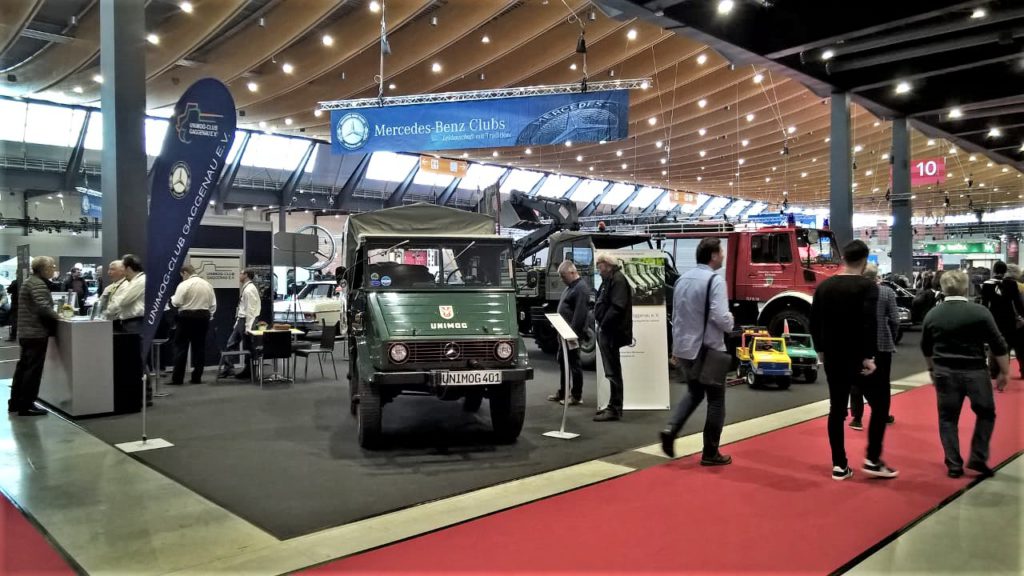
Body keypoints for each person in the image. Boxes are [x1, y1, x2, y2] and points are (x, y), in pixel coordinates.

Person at [811, 239, 898, 481]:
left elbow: (814, 321)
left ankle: (839, 465)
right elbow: (869, 322)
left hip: (833, 357)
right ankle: (872, 459)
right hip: (858, 358)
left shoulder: (824, 287)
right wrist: (869, 356)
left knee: (837, 410)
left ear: (843, 259)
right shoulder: (868, 287)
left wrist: (820, 350)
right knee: (880, 405)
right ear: (864, 260)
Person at [921, 270, 1009, 478]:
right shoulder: (980, 312)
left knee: (947, 418)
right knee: (986, 413)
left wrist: (932, 369)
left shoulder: (933, 314)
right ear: (965, 287)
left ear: (943, 288)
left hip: (944, 372)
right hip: (975, 371)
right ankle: (978, 457)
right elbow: (998, 344)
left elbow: (926, 347)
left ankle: (954, 464)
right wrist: (1004, 371)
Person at [659, 237, 734, 465]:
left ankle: (671, 429)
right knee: (716, 400)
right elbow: (720, 316)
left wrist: (675, 348)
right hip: (708, 349)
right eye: (721, 252)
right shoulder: (715, 281)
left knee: (694, 392)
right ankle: (710, 452)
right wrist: (731, 322)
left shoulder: (682, 279)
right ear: (713, 255)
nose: (723, 255)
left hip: (685, 350)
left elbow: (676, 316)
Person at [849, 265, 899, 431]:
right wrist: (891, 336)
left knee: (857, 380)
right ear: (876, 275)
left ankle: (857, 418)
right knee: (883, 382)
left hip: (859, 343)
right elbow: (895, 319)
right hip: (883, 344)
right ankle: (883, 414)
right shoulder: (887, 292)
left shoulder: (853, 293)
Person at [8, 256, 58, 416]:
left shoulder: (30, 281)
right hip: (35, 332)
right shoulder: (38, 284)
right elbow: (43, 307)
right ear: (44, 269)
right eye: (52, 266)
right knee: (33, 371)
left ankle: (15, 402)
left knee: (23, 368)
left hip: (26, 332)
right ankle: (27, 404)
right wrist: (59, 317)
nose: (54, 268)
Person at [592, 253, 632, 422]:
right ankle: (612, 406)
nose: (598, 270)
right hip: (608, 331)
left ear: (607, 265)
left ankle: (615, 408)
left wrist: (603, 325)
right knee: (612, 371)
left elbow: (617, 307)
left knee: (613, 371)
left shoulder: (618, 280)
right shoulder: (610, 279)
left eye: (599, 266)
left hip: (612, 332)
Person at [546, 260, 590, 406]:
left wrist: (572, 335)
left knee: (574, 364)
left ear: (572, 272)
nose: (562, 280)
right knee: (563, 361)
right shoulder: (571, 287)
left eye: (563, 277)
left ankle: (576, 396)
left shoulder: (581, 289)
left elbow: (580, 315)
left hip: (571, 335)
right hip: (564, 333)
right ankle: (563, 392)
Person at [170, 264, 216, 385]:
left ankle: (177, 379)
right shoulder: (208, 285)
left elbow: (177, 302)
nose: (182, 277)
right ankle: (197, 378)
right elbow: (213, 305)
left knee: (181, 348)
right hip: (203, 318)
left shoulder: (184, 284)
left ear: (185, 273)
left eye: (182, 275)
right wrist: (209, 316)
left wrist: (173, 298)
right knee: (199, 348)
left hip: (186, 318)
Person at [980, 261, 1023, 378]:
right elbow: (1018, 303)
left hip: (993, 318)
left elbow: (984, 304)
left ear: (994, 270)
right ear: (1005, 271)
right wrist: (1021, 316)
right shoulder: (1012, 284)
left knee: (994, 344)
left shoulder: (986, 284)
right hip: (1009, 318)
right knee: (1009, 343)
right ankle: (1006, 370)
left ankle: (994, 371)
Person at [219, 269, 261, 379]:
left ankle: (249, 371)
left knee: (248, 346)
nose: (239, 275)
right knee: (231, 344)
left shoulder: (249, 289)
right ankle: (229, 369)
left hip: (246, 321)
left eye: (241, 274)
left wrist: (248, 327)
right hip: (242, 320)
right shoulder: (246, 288)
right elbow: (243, 308)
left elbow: (251, 310)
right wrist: (238, 322)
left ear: (246, 275)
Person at [106, 254, 146, 333]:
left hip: (136, 323)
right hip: (132, 323)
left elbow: (123, 301)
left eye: (122, 268)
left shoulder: (140, 281)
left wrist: (107, 311)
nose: (122, 272)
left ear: (128, 269)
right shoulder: (134, 281)